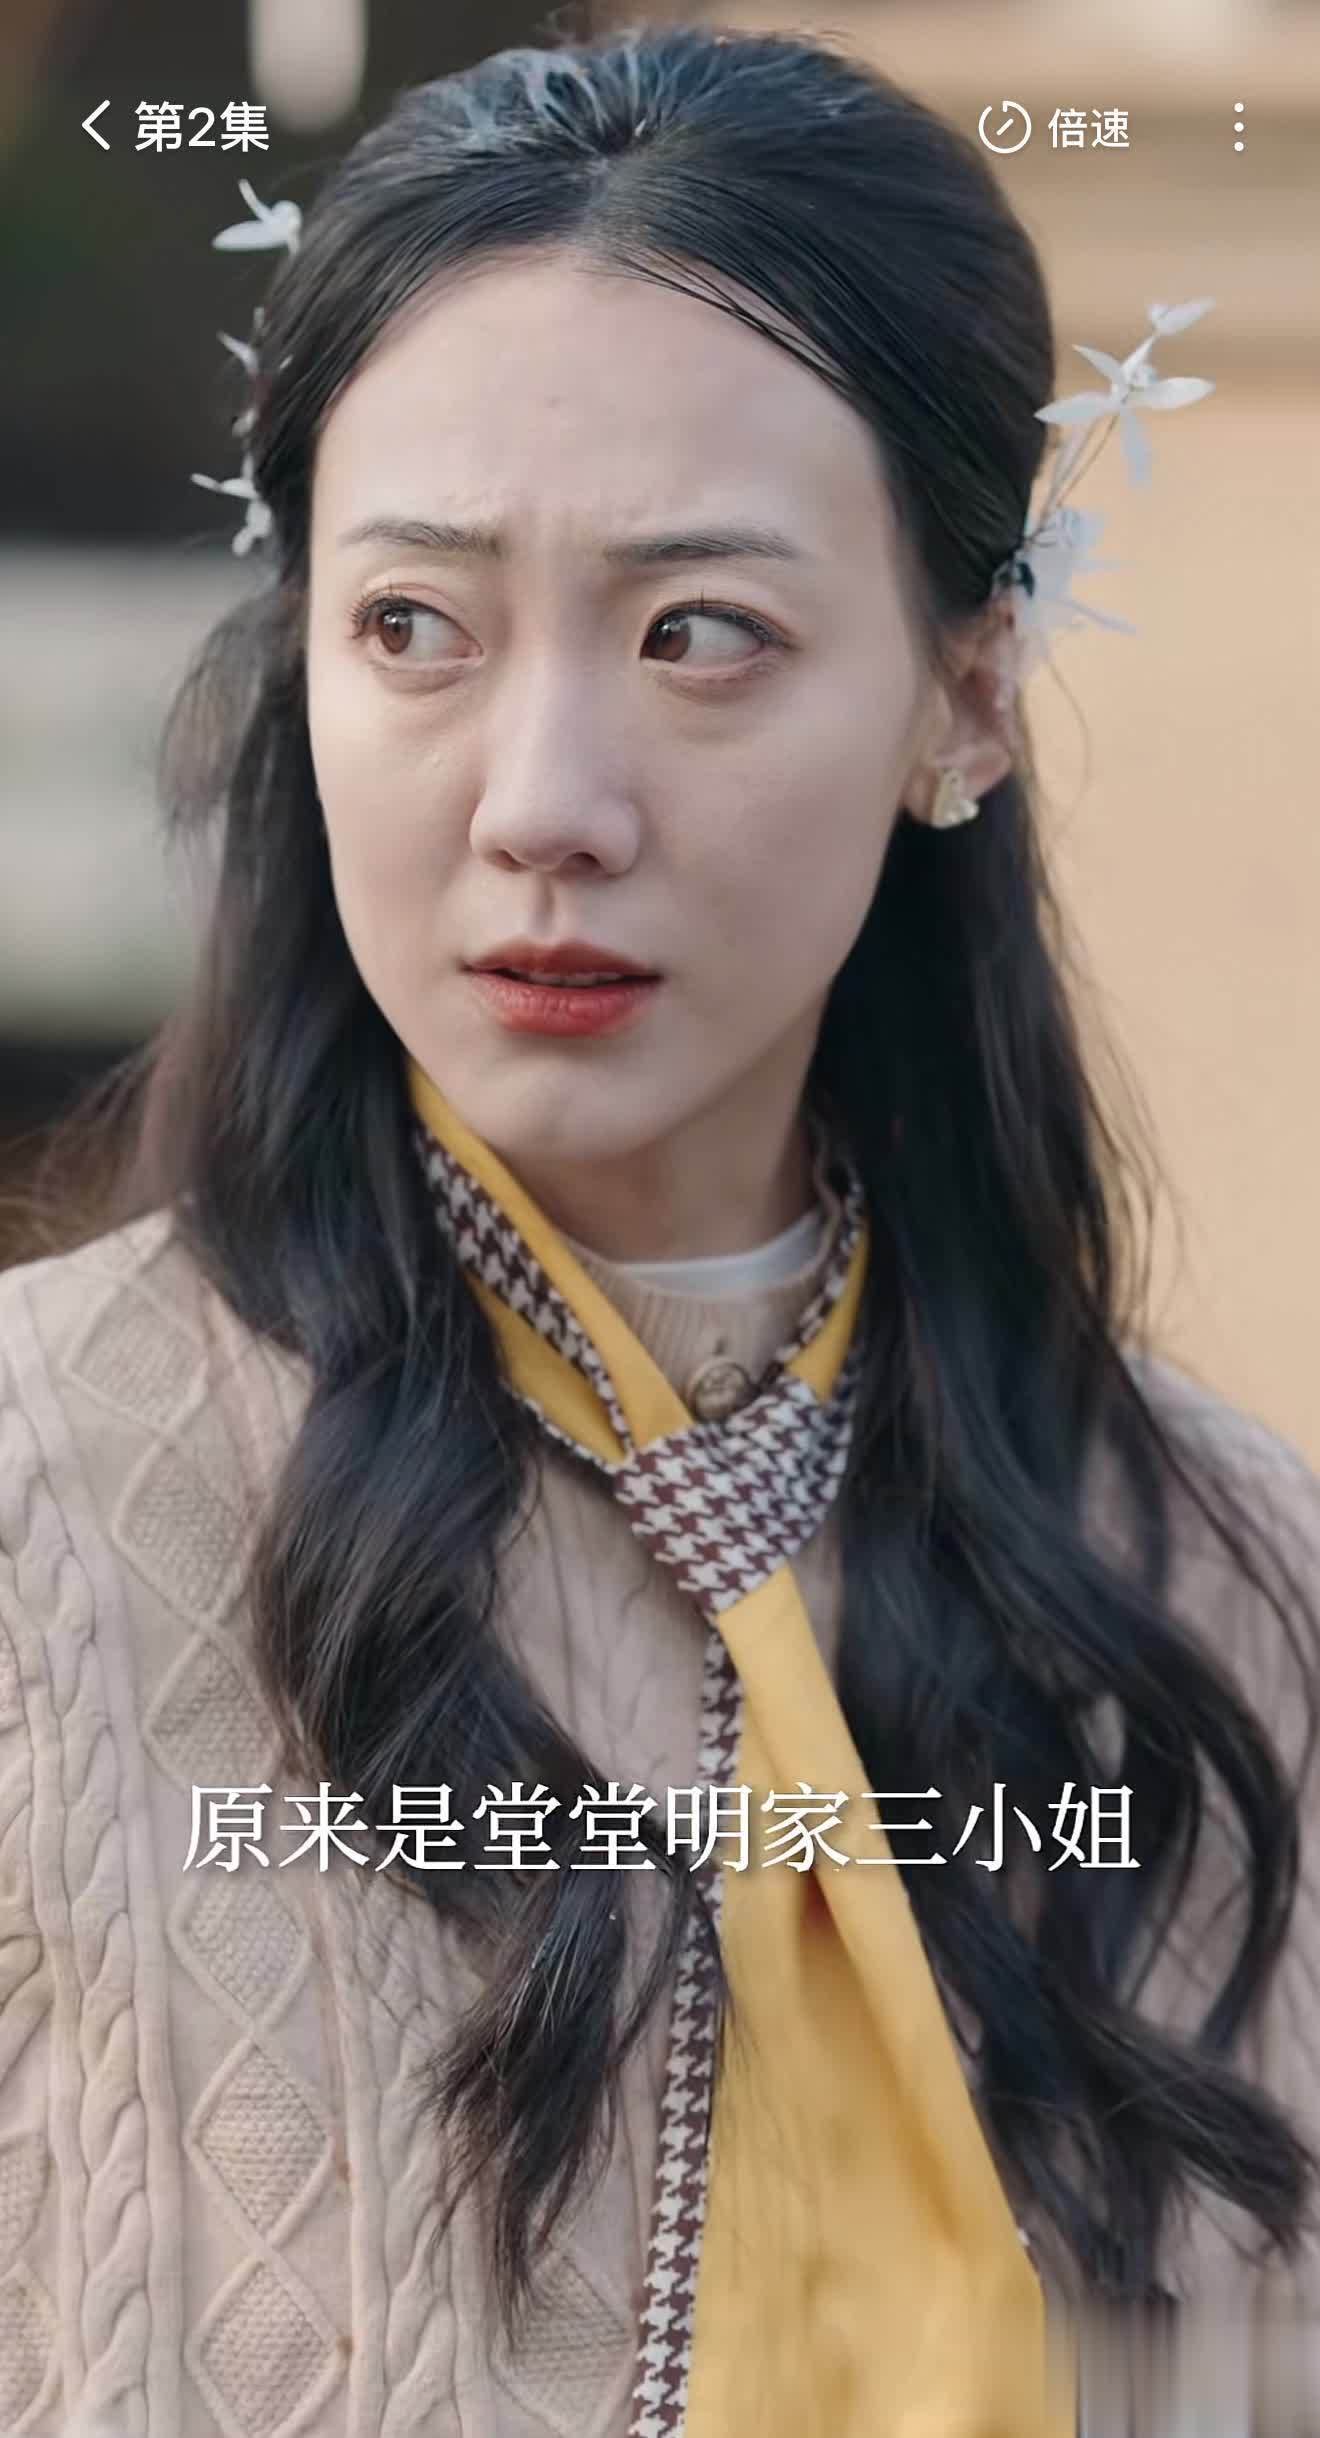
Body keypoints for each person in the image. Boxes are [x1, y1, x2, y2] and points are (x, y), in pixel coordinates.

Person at [1, 24, 1317, 2437]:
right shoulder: (34, 1511)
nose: (545, 802)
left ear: (965, 694)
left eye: (699, 631)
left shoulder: (1242, 1605)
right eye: (416, 625)